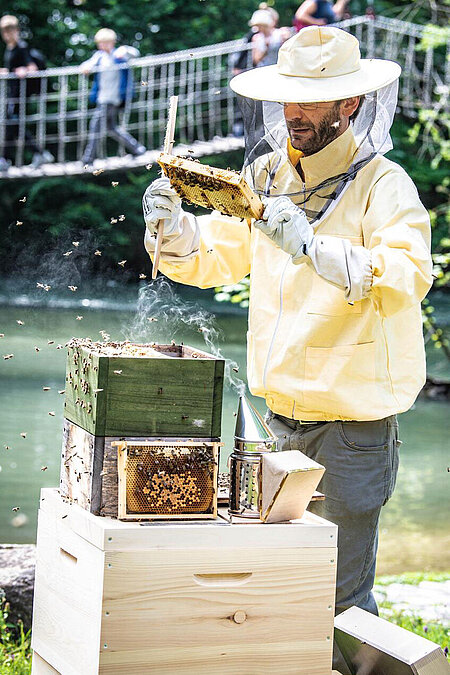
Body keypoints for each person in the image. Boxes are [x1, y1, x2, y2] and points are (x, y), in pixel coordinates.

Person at [142, 26, 432, 666]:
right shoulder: (266, 174)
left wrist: (311, 246)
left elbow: (409, 276)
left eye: (310, 101)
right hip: (278, 423)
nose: (292, 114)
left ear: (348, 105)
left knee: (342, 603)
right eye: (288, 99)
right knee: (280, 588)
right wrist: (172, 226)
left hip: (354, 429)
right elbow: (215, 259)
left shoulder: (384, 185)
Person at [80, 28, 146, 165]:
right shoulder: (99, 56)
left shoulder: (119, 55)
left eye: (105, 43)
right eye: (100, 43)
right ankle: (138, 149)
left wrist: (125, 50)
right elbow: (87, 64)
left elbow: (135, 53)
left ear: (112, 42)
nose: (102, 46)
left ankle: (88, 159)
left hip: (114, 98)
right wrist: (84, 68)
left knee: (95, 126)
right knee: (112, 128)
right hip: (102, 99)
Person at [0, 14, 54, 170]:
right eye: (4, 32)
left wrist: (23, 70)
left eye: (10, 31)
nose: (7, 35)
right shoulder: (9, 49)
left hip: (20, 94)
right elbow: (12, 69)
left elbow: (31, 67)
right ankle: (8, 158)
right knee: (13, 125)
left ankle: (7, 159)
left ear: (17, 30)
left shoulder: (21, 47)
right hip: (13, 92)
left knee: (13, 123)